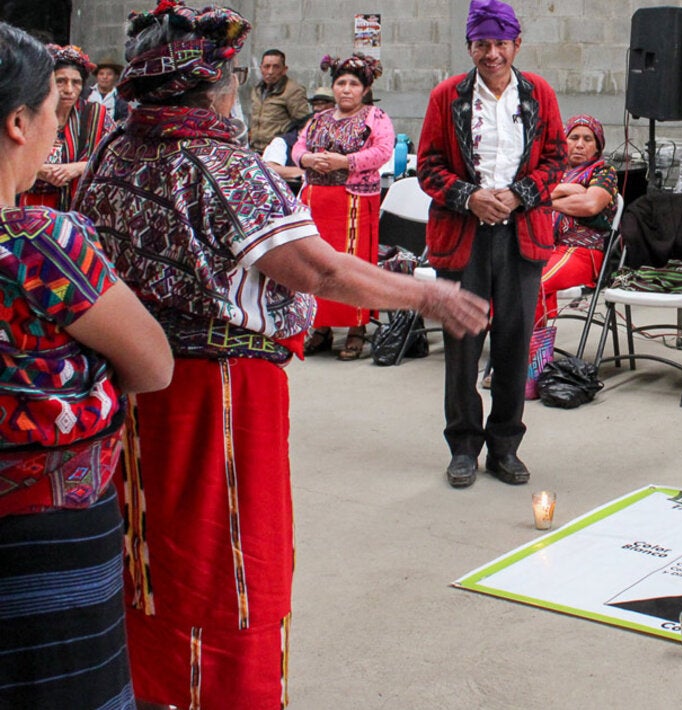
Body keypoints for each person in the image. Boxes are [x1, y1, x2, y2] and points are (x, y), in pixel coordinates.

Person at [75, 3, 487, 706]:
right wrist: (428, 297)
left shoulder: (116, 150)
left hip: (133, 387)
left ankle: (151, 688)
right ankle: (228, 693)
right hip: (218, 397)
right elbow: (319, 271)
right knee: (227, 561)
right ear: (214, 89)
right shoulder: (218, 164)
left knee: (146, 550)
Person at [0, 23, 172, 708]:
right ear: (19, 122)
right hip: (47, 531)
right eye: (52, 105)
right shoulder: (41, 245)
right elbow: (153, 363)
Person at [418, 0, 565, 490]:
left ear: (516, 45)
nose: (492, 53)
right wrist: (471, 197)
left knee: (512, 344)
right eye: (482, 44)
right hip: (464, 237)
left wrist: (518, 196)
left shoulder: (538, 93)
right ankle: (463, 447)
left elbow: (556, 159)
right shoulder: (448, 96)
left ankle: (505, 447)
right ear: (470, 47)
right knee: (462, 343)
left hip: (521, 235)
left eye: (501, 44)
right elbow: (428, 165)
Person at [294, 54, 394, 360]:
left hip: (353, 202)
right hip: (316, 201)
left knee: (349, 263)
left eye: (353, 84)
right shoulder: (318, 119)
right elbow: (299, 146)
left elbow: (382, 151)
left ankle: (356, 328)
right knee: (316, 263)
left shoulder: (376, 118)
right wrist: (307, 159)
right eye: (341, 83)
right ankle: (321, 328)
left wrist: (345, 162)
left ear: (364, 89)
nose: (346, 89)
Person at [537, 114, 618, 325]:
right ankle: (513, 349)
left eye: (588, 139)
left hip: (581, 253)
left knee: (531, 287)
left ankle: (533, 356)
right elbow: (527, 194)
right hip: (543, 248)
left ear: (597, 147)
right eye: (574, 138)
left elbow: (590, 205)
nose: (580, 145)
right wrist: (565, 189)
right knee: (504, 281)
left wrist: (544, 201)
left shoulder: (603, 173)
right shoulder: (552, 173)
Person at [18, 44, 113, 211]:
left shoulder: (96, 115)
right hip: (32, 210)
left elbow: (113, 158)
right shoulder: (27, 113)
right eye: (60, 81)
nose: (69, 90)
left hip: (80, 209)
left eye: (76, 82)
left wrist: (77, 168)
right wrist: (38, 170)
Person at [262, 85, 333, 193]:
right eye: (316, 104)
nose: (318, 108)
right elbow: (270, 168)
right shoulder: (283, 142)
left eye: (322, 103)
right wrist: (306, 172)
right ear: (301, 131)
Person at [247, 47, 308, 153]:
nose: (270, 72)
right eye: (266, 67)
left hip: (278, 152)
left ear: (284, 70)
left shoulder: (293, 91)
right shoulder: (256, 90)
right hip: (255, 149)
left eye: (276, 67)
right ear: (261, 68)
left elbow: (303, 123)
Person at [87, 56, 130, 124]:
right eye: (101, 74)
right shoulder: (86, 94)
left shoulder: (120, 98)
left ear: (115, 77)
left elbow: (125, 118)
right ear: (97, 76)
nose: (105, 77)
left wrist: (119, 123)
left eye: (109, 74)